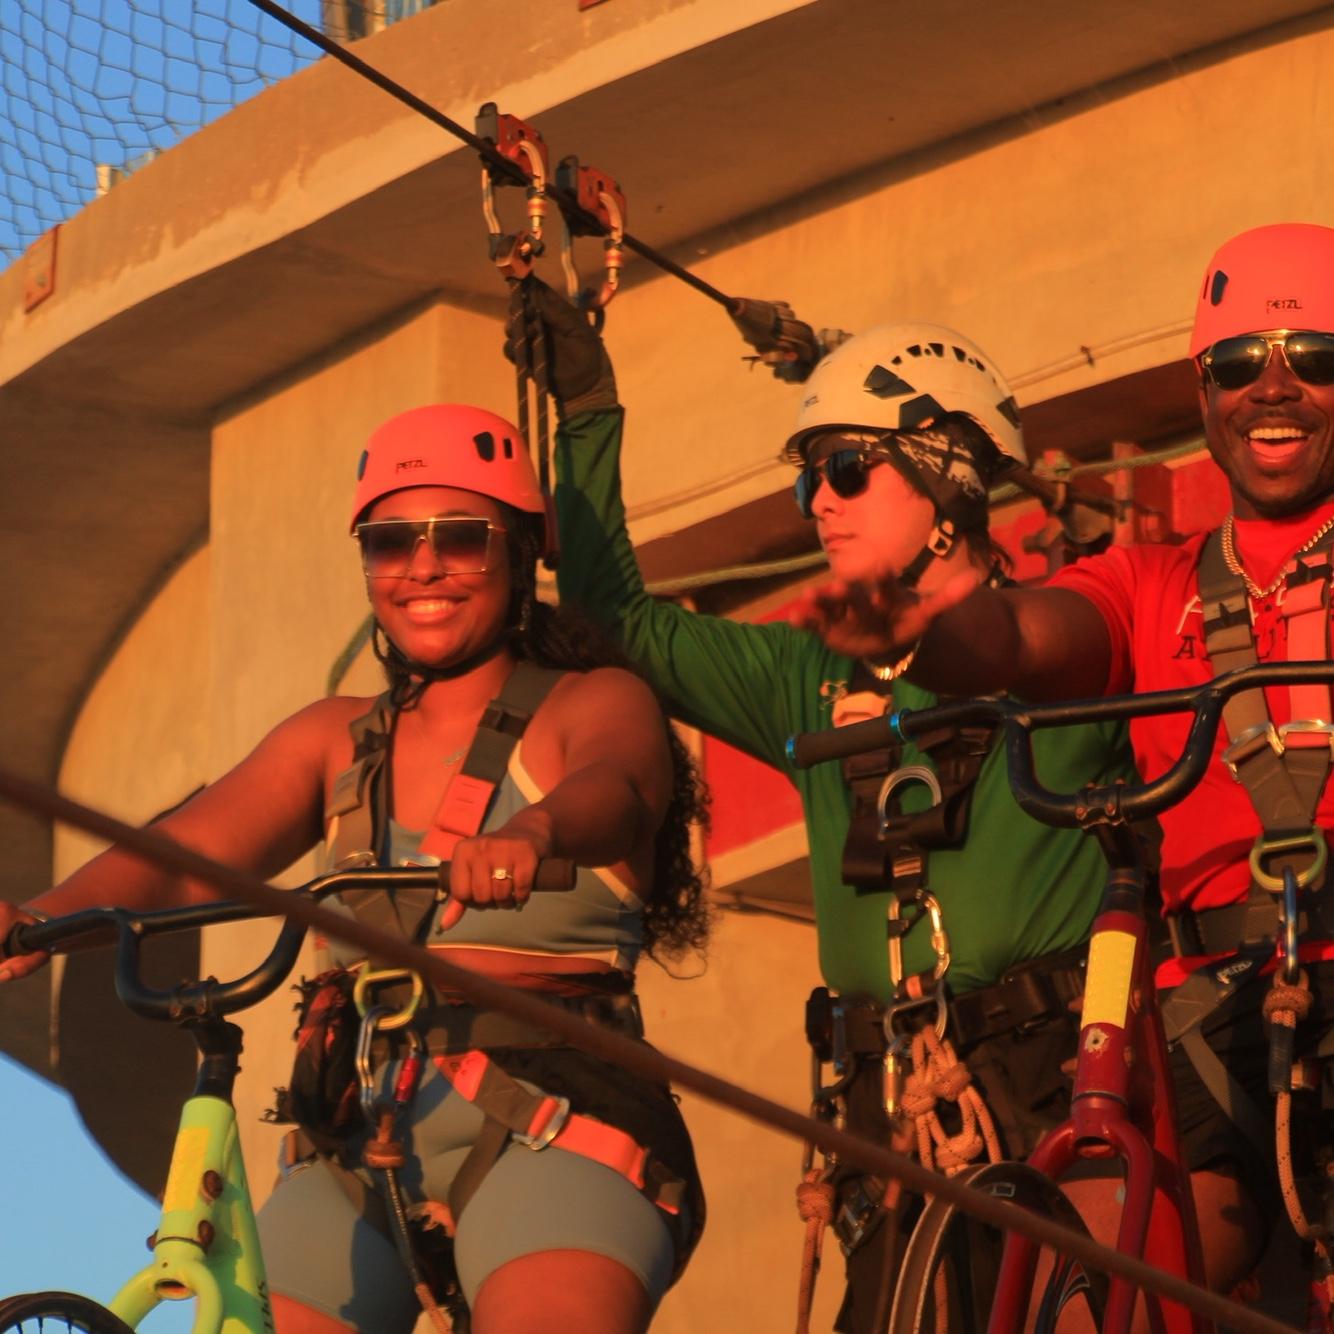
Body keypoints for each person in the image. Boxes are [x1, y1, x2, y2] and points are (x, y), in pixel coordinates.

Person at [0, 402, 710, 1334]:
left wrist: (535, 832)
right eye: (389, 542)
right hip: (351, 1130)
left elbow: (618, 788)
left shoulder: (594, 701)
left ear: (522, 552)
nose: (423, 567)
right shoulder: (331, 738)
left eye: (460, 538)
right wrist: (40, 920)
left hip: (556, 1119)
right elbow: (178, 861)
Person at [523, 277, 1136, 1331]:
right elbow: (614, 619)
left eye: (847, 469)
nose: (818, 501)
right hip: (885, 1110)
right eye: (811, 477)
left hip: (1052, 1088)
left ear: (948, 480)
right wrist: (586, 408)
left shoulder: (1068, 649)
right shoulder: (806, 674)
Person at [792, 221, 1334, 1304]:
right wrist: (921, 631)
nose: (1270, 388)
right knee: (1083, 1290)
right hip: (1208, 1019)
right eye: (1239, 364)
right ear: (1202, 393)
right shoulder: (1143, 581)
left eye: (1310, 358)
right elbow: (1021, 638)